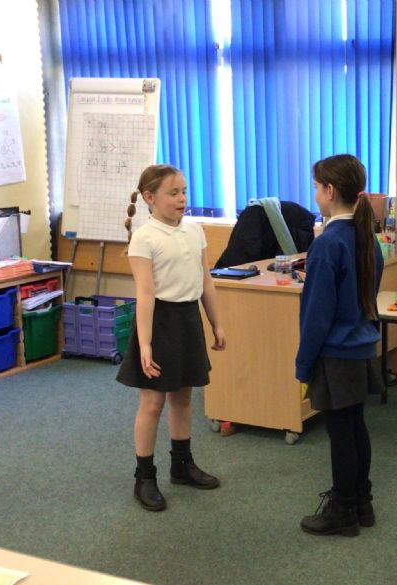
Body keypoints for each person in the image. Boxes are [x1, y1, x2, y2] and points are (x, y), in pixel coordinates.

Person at [116, 164, 227, 512]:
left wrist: (217, 324)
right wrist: (145, 344)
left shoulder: (194, 231)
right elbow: (145, 294)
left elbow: (205, 282)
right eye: (173, 193)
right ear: (150, 197)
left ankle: (182, 465)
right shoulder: (144, 237)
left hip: (187, 319)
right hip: (158, 322)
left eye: (184, 191)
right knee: (153, 403)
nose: (181, 198)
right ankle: (144, 477)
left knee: (183, 397)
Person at [295, 154, 385, 537]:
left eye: (317, 187)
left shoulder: (328, 244)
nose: (315, 194)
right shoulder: (367, 239)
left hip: (336, 355)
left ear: (330, 191)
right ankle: (362, 502)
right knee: (355, 426)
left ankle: (343, 510)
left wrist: (304, 364)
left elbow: (316, 315)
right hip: (361, 349)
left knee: (341, 434)